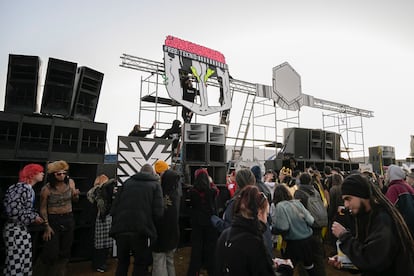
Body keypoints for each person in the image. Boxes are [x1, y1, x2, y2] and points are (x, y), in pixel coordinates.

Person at [329, 173, 414, 275]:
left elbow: (372, 260)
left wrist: (344, 236)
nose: (346, 205)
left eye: (348, 199)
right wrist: (347, 261)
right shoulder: (368, 217)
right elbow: (368, 254)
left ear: (361, 195)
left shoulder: (382, 219)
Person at [110, 164, 164, 276]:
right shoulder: (155, 185)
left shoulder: (127, 183)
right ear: (152, 173)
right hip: (141, 231)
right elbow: (158, 212)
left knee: (122, 263)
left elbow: (114, 208)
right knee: (140, 264)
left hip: (121, 230)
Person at [215, 185, 275, 275]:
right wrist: (286, 269)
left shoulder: (225, 235)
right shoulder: (255, 242)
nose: (266, 220)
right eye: (266, 215)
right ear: (259, 213)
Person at [34, 160, 80, 276]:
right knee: (51, 252)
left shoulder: (71, 183)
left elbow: (75, 200)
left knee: (65, 251)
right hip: (53, 220)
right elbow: (43, 208)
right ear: (53, 175)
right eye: (59, 173)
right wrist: (46, 226)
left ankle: (60, 273)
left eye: (64, 173)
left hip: (68, 218)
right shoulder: (47, 189)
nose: (62, 175)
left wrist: (75, 195)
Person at [3, 164, 45, 275]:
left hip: (21, 229)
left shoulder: (27, 189)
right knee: (16, 263)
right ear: (32, 174)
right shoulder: (20, 188)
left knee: (24, 262)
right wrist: (33, 217)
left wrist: (33, 216)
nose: (43, 173)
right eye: (40, 171)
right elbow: (13, 210)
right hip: (14, 229)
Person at [272, 184, 316, 275]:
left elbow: (283, 227)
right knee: (309, 267)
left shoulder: (280, 206)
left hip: (294, 243)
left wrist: (272, 229)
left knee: (287, 268)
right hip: (308, 240)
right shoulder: (297, 203)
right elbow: (311, 220)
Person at [186, 168, 219, 276]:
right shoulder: (212, 191)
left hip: (197, 224)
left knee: (196, 250)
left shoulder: (192, 191)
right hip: (210, 224)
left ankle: (194, 272)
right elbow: (216, 190)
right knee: (210, 250)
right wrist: (211, 181)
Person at [294, 172, 327, 276]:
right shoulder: (316, 191)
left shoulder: (299, 193)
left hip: (305, 231)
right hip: (317, 228)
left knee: (304, 260)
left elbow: (297, 213)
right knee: (318, 258)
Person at [152, 169, 181, 276]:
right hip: (173, 233)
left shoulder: (159, 194)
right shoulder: (177, 195)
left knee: (159, 261)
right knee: (170, 261)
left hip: (160, 233)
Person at [87, 174, 116, 273]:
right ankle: (100, 264)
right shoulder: (102, 192)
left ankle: (98, 263)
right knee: (104, 244)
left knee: (99, 244)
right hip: (104, 219)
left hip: (98, 219)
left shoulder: (92, 192)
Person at [384, 164, 414, 236]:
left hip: (402, 227)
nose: (386, 175)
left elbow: (388, 208)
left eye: (387, 173)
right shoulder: (407, 186)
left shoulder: (394, 188)